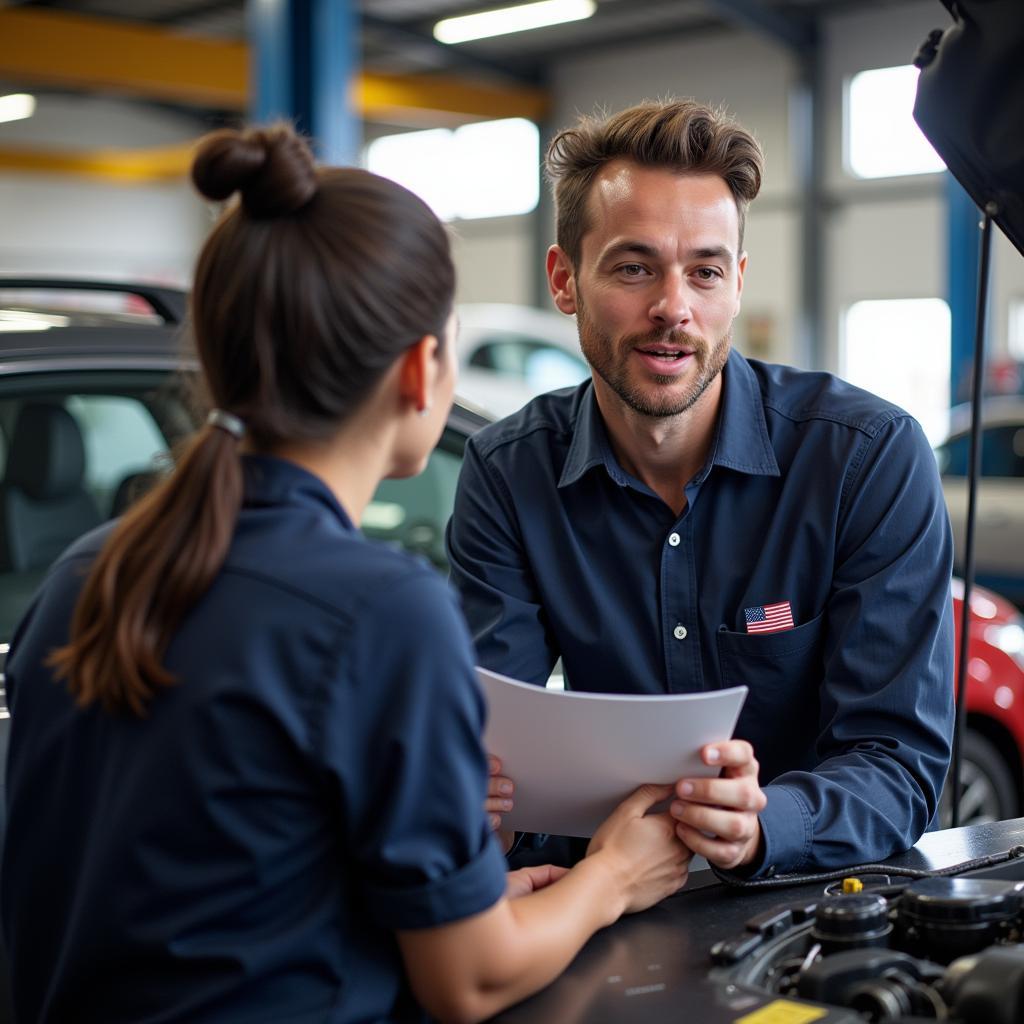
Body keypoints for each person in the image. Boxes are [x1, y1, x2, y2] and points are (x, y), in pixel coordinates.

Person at [0, 124, 691, 1024]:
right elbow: (470, 980)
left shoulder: (87, 570)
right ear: (421, 369)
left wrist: (447, 907)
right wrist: (612, 877)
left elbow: (198, 906)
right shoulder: (381, 611)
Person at [447, 99, 955, 878]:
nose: (673, 308)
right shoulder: (508, 473)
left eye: (705, 271)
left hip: (812, 899)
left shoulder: (867, 460)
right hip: (597, 905)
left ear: (738, 284)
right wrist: (489, 816)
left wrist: (765, 825)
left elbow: (897, 761)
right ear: (565, 280)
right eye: (633, 266)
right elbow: (501, 756)